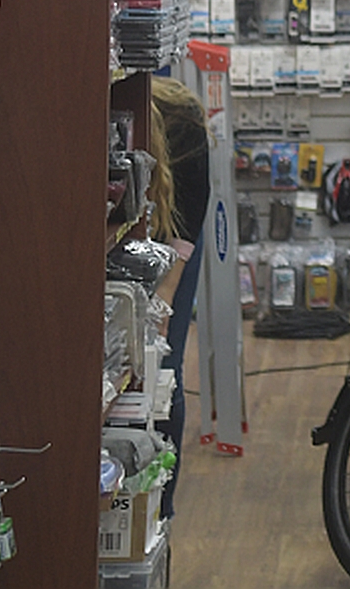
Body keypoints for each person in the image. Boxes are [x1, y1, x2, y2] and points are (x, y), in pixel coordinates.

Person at [146, 76, 210, 518]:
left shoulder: (180, 121)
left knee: (164, 367)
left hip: (176, 235)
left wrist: (165, 294)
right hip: (133, 227)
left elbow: (188, 212)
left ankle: (161, 512)